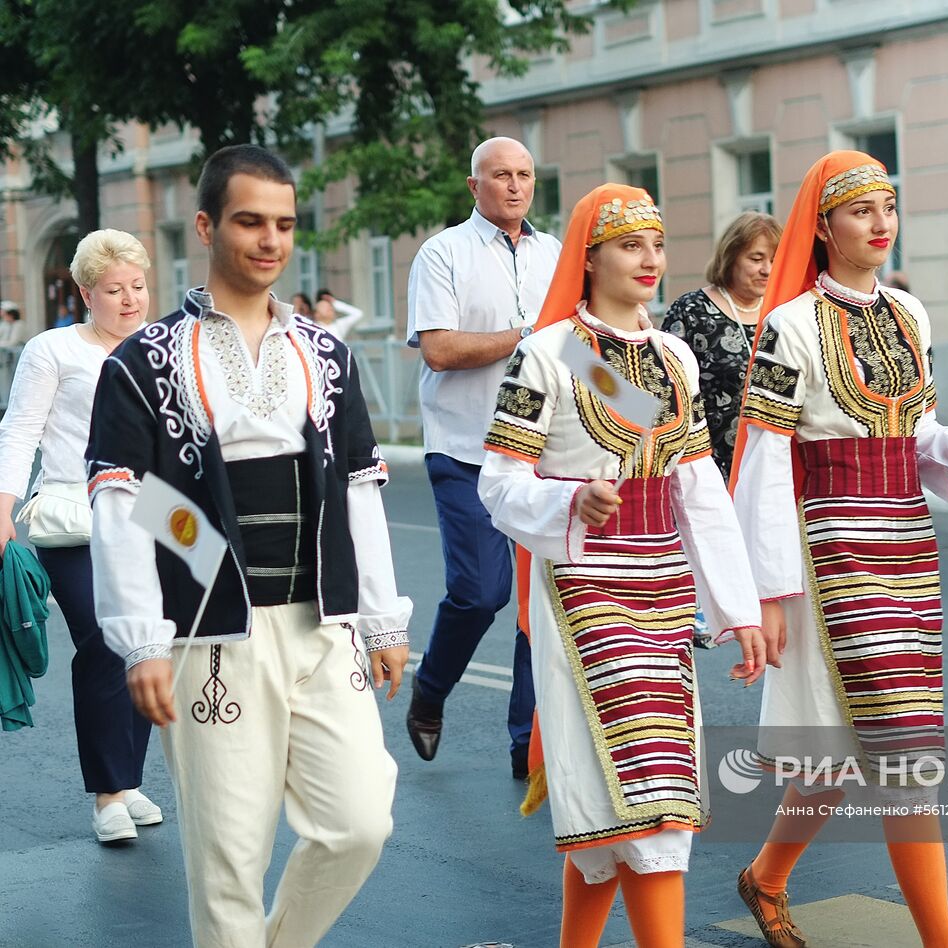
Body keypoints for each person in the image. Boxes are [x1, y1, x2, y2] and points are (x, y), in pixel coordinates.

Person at [86, 144, 412, 944]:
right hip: (215, 636)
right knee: (230, 857)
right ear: (205, 225)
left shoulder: (327, 355)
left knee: (360, 821)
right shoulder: (145, 362)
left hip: (322, 625)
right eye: (249, 222)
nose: (270, 240)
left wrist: (380, 617)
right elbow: (127, 499)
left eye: (285, 225)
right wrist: (145, 639)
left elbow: (359, 489)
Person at [729, 151, 948, 947]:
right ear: (822, 228)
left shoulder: (909, 315)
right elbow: (764, 462)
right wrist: (770, 593)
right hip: (832, 552)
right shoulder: (789, 326)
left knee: (843, 754)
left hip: (906, 543)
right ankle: (943, 940)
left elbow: (911, 427)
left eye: (887, 206)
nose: (880, 222)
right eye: (861, 211)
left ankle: (766, 878)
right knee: (901, 753)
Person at [478, 182, 767, 948]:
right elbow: (499, 482)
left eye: (657, 245)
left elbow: (699, 487)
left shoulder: (671, 357)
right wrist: (573, 503)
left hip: (664, 588)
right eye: (629, 245)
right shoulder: (547, 353)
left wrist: (739, 610)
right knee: (647, 794)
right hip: (582, 588)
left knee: (631, 798)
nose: (648, 260)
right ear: (590, 256)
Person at [405, 136, 561, 774]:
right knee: (480, 592)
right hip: (464, 447)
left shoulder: (555, 253)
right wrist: (524, 337)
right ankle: (430, 691)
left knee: (535, 602)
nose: (515, 186)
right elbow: (439, 349)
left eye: (525, 174)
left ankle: (526, 742)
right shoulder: (442, 254)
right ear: (475, 186)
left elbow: (576, 345)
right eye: (501, 175)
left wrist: (633, 411)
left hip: (542, 453)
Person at [0, 230, 161, 844]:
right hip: (75, 513)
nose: (130, 300)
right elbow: (19, 432)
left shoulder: (162, 347)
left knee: (149, 641)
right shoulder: (53, 350)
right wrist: (3, 510)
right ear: (85, 293)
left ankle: (131, 780)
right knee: (101, 639)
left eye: (138, 287)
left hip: (153, 513)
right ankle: (106, 797)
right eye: (115, 290)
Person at [660, 212, 780, 478]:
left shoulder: (782, 314)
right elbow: (663, 395)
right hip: (708, 470)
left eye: (774, 259)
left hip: (770, 469)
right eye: (756, 258)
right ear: (731, 256)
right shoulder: (692, 310)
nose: (767, 269)